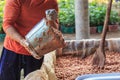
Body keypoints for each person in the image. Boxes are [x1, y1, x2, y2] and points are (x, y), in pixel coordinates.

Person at [0, 0, 59, 80]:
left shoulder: (51, 2)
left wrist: (51, 20)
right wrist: (22, 41)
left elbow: (54, 28)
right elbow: (7, 24)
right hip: (13, 48)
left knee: (35, 77)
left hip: (37, 50)